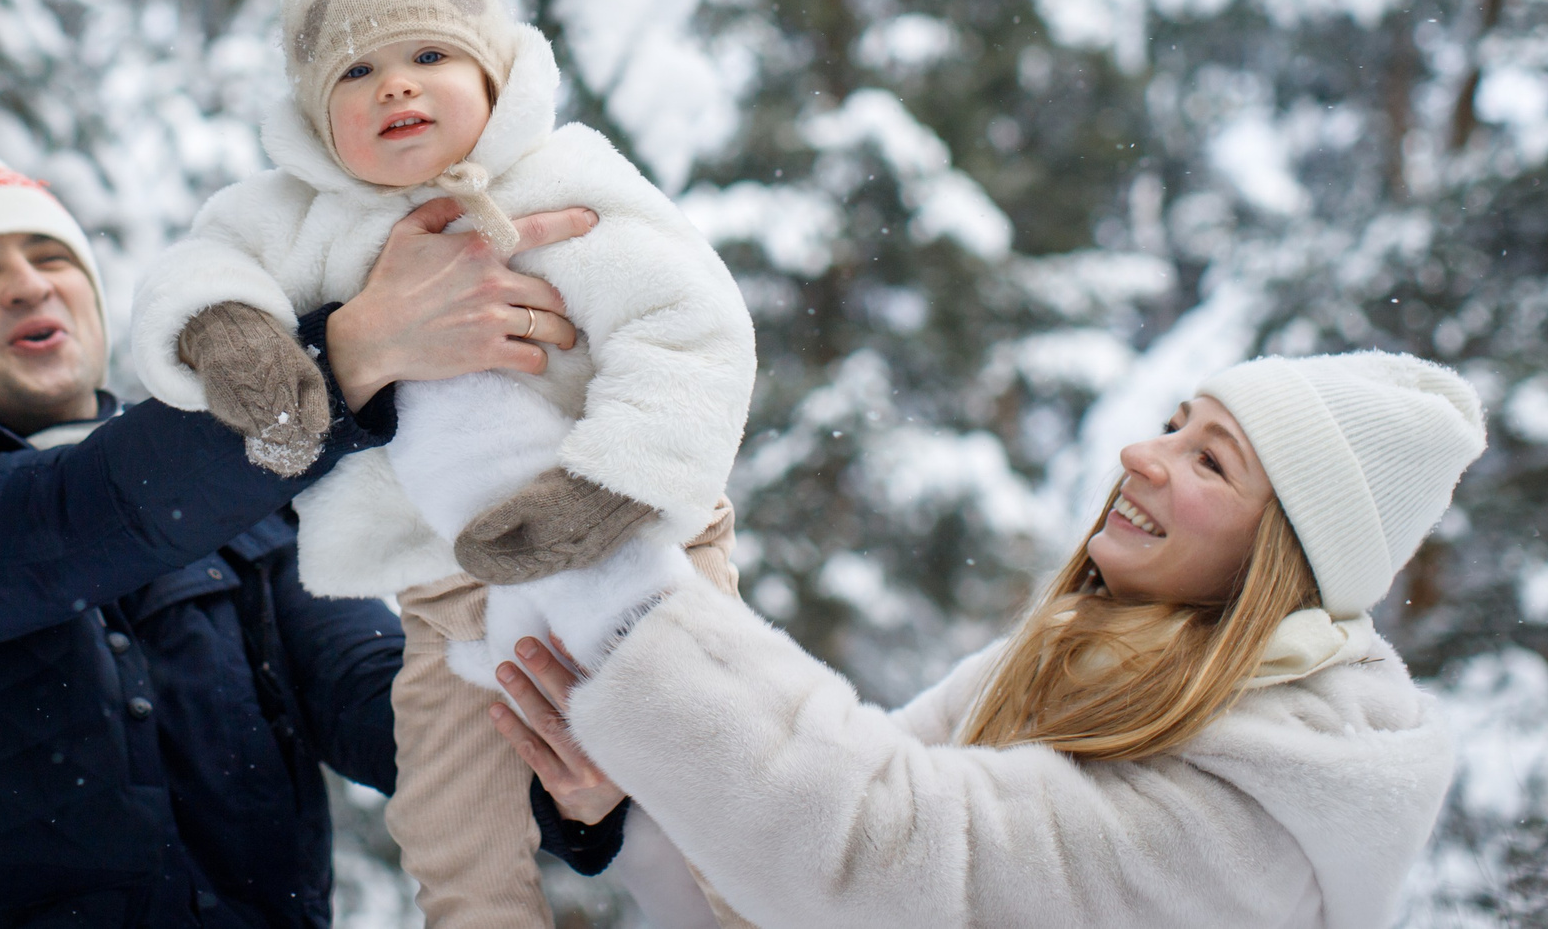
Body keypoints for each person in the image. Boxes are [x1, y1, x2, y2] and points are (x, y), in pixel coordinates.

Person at [122, 0, 757, 929]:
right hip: (447, 590)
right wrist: (231, 334)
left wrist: (611, 486)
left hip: (640, 549)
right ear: (319, 119)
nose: (397, 87)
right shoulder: (300, 215)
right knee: (449, 823)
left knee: (723, 781)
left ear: (496, 74)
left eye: (427, 55)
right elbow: (199, 267)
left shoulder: (562, 184)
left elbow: (688, 328)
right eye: (356, 75)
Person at [0, 127, 624, 929]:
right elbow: (80, 517)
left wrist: (552, 770)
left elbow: (367, 687)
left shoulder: (229, 501)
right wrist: (349, 351)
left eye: (53, 257)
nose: (30, 286)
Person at [494, 350, 1488, 929]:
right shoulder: (1085, 649)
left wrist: (630, 602)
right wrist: (622, 811)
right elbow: (808, 880)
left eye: (1208, 462)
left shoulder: (1256, 814)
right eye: (1172, 425)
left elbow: (889, 855)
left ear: (1283, 558)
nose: (1140, 454)